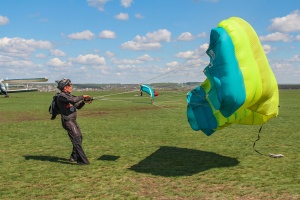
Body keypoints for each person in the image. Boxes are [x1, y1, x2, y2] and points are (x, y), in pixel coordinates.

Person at [55, 78, 92, 165]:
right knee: (76, 139)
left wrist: (84, 102)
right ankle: (82, 161)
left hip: (73, 121)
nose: (71, 86)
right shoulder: (62, 96)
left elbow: (77, 106)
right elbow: (74, 100)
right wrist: (82, 96)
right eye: (70, 85)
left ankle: (74, 157)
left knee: (79, 138)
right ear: (65, 87)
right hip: (68, 121)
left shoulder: (68, 96)